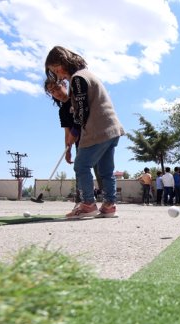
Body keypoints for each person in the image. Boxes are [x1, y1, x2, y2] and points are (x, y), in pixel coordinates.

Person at [46, 46, 125, 218]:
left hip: (98, 130)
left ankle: (88, 204)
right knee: (106, 170)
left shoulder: (77, 79)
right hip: (112, 129)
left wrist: (74, 133)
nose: (58, 75)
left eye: (56, 70)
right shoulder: (87, 74)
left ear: (64, 62)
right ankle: (109, 205)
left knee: (81, 165)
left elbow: (82, 111)